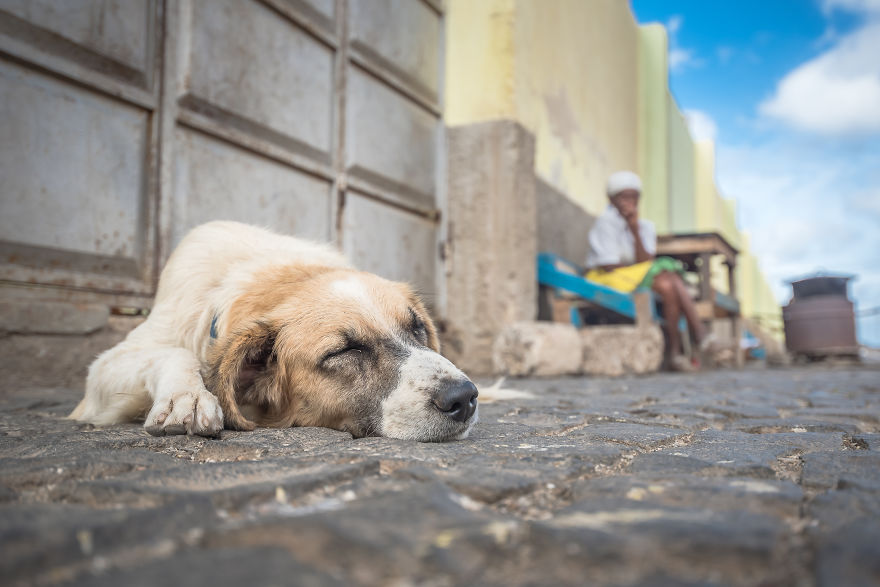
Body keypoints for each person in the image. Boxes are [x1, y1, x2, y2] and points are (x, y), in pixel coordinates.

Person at [585, 171, 713, 371]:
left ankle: (676, 353)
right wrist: (643, 269)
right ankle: (696, 336)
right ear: (612, 200)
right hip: (607, 278)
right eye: (623, 197)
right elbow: (609, 265)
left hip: (633, 276)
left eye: (634, 197)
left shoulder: (644, 227)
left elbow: (644, 261)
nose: (630, 201)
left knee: (668, 284)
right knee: (665, 275)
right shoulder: (605, 223)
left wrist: (634, 229)